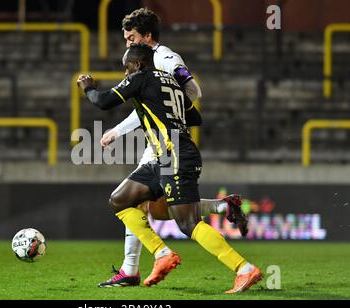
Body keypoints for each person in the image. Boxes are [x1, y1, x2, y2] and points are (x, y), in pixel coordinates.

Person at [77, 43, 263, 293]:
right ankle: (163, 252)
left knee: (187, 223)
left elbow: (103, 101)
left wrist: (88, 87)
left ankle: (244, 269)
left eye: (127, 68)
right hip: (161, 157)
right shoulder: (171, 83)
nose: (125, 75)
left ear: (139, 64)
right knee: (122, 200)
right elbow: (195, 118)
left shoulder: (142, 77)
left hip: (175, 156)